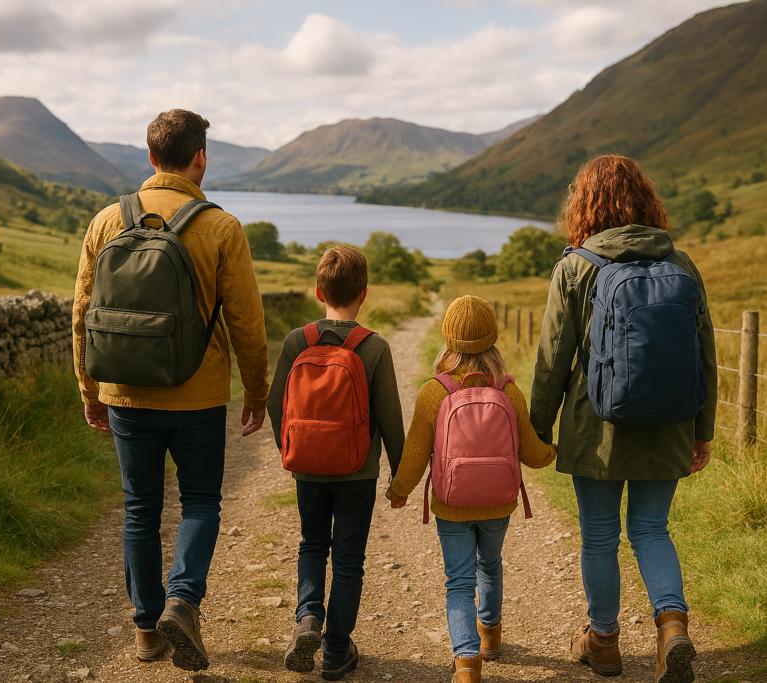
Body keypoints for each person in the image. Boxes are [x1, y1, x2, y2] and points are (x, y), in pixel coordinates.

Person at [72, 109, 270, 672]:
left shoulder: (106, 222)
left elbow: (82, 314)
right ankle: (183, 601)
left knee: (140, 508)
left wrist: (90, 388)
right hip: (199, 393)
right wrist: (255, 392)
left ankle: (145, 632)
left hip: (125, 391)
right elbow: (247, 324)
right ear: (199, 158)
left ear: (150, 156)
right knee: (200, 501)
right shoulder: (221, 227)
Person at [529, 154, 717, 683]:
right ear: (645, 200)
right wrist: (703, 431)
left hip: (597, 426)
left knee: (599, 535)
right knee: (652, 529)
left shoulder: (577, 267)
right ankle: (672, 629)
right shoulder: (681, 264)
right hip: (673, 421)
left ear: (585, 204)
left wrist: (536, 431)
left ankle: (604, 643)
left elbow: (551, 359)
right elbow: (706, 355)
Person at [387, 296, 556, 683]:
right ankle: (491, 636)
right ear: (493, 339)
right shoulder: (508, 391)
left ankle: (466, 662)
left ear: (448, 340)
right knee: (490, 566)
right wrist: (552, 454)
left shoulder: (436, 392)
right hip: (499, 502)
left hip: (451, 504)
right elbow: (531, 452)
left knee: (459, 581)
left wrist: (400, 489)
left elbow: (415, 452)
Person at [268, 246, 406, 681]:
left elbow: (277, 405)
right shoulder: (374, 347)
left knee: (312, 545)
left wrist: (292, 450)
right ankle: (336, 651)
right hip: (357, 473)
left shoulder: (296, 341)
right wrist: (400, 478)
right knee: (348, 560)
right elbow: (390, 418)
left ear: (317, 290)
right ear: (363, 294)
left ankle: (308, 618)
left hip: (307, 468)